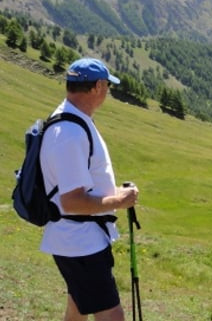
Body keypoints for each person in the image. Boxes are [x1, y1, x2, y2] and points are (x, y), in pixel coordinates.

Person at [40, 57, 139, 321]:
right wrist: (119, 201)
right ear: (96, 87)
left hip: (78, 238)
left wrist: (114, 191)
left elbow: (80, 184)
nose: (108, 91)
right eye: (107, 85)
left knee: (78, 305)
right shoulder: (70, 134)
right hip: (80, 242)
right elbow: (72, 201)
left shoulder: (72, 121)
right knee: (110, 314)